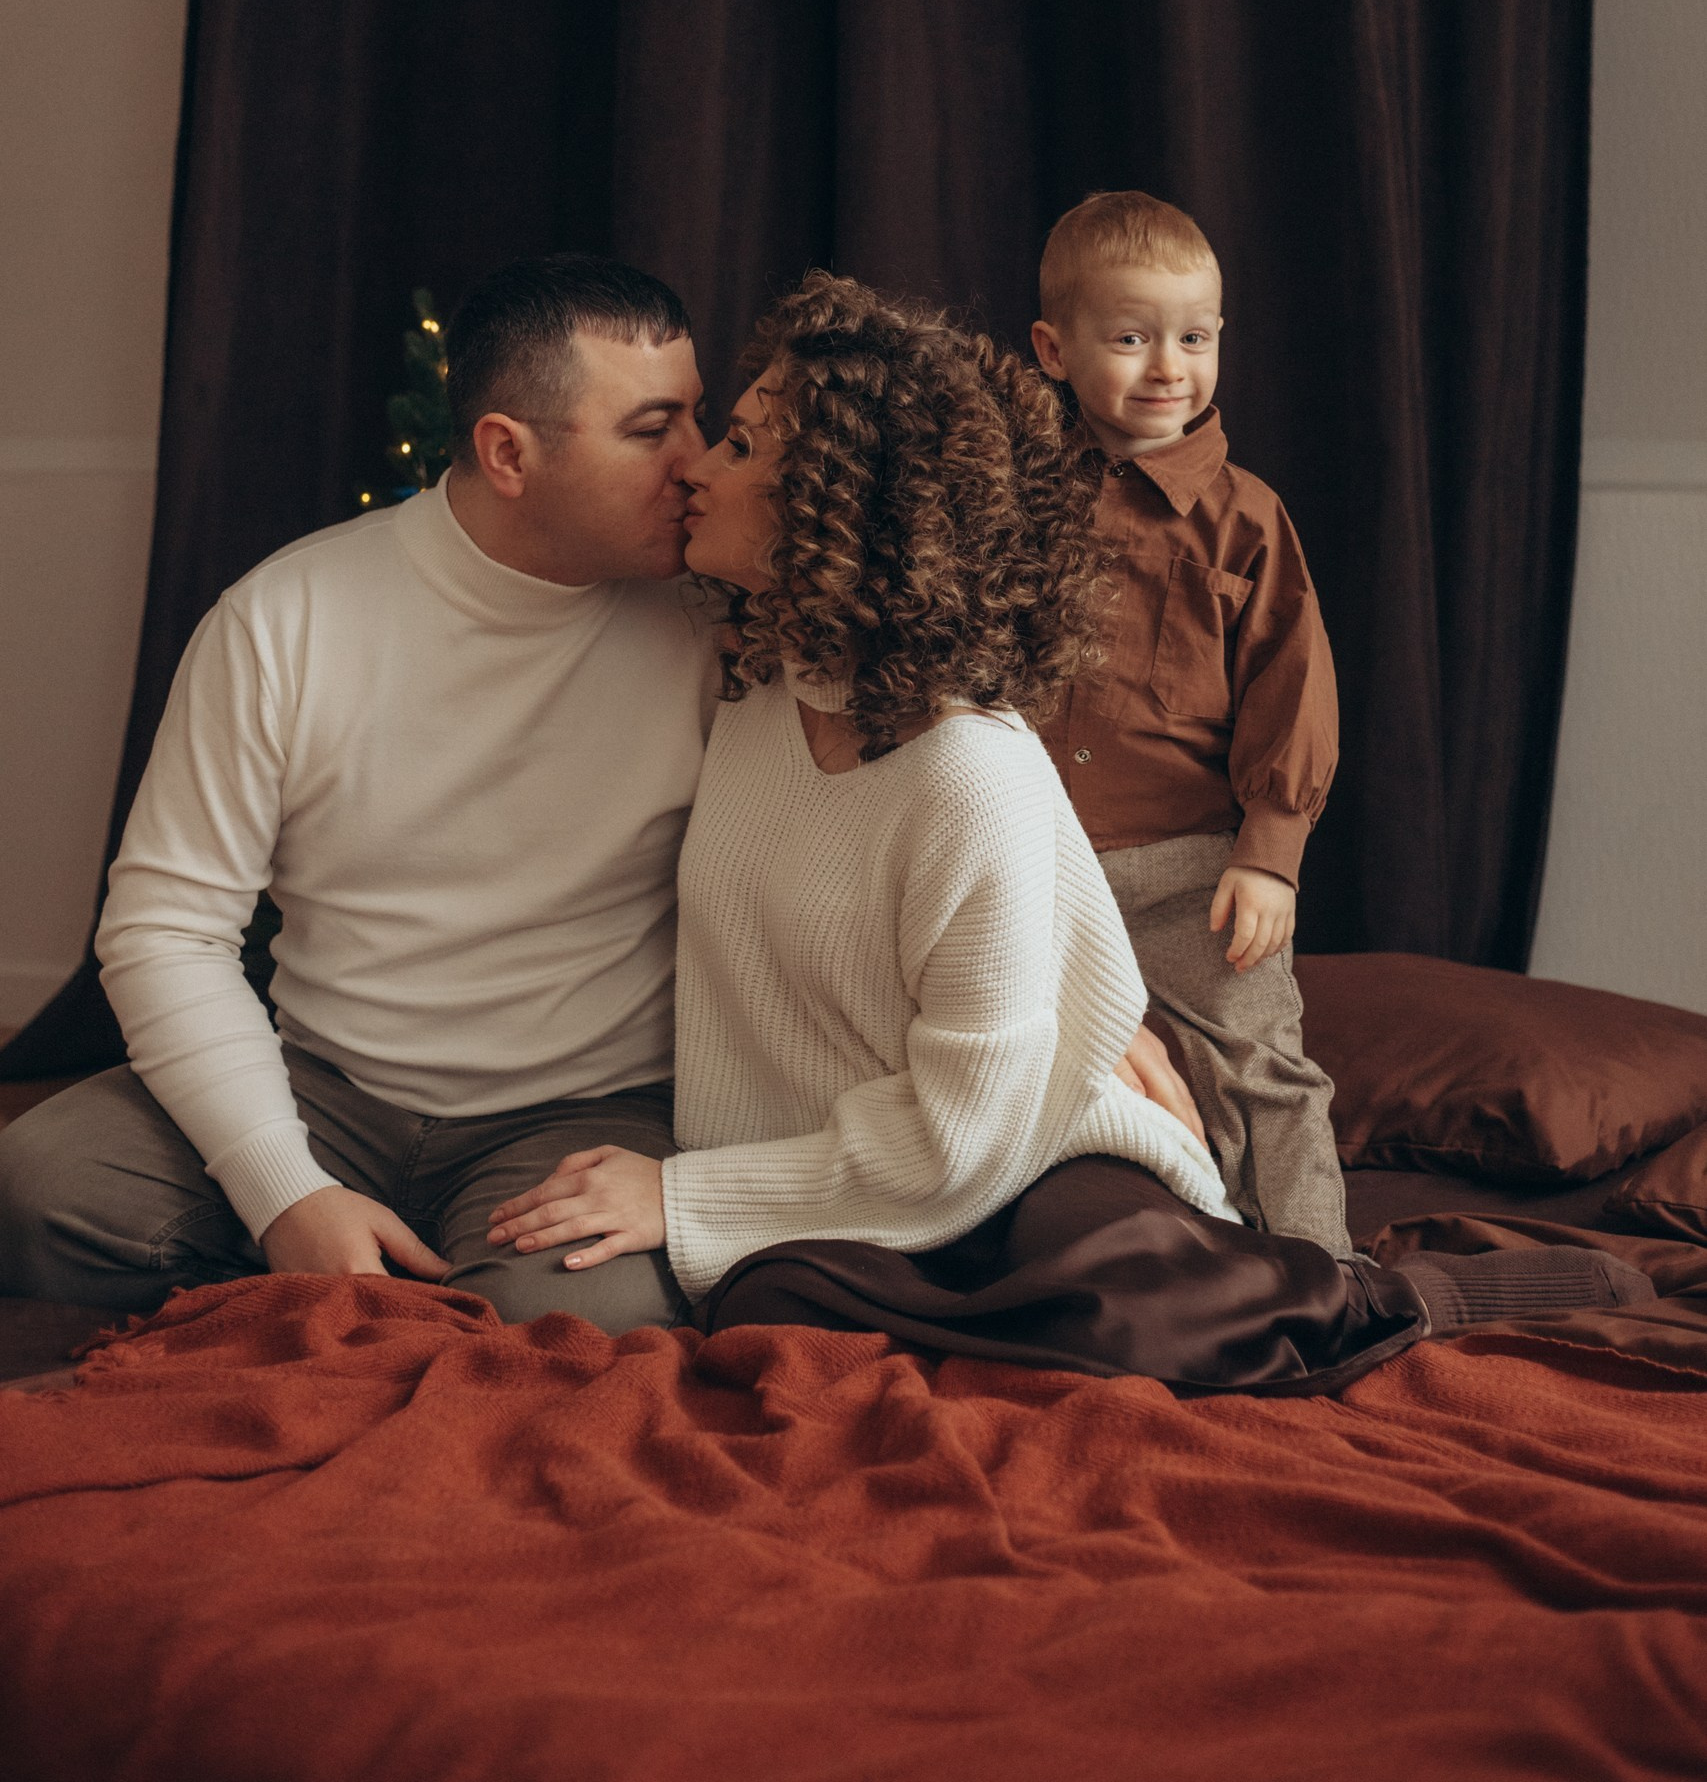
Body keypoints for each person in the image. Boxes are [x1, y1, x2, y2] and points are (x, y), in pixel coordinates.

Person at [483, 276, 1650, 1385]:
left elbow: (970, 1128)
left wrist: (682, 1199)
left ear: (838, 512)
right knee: (770, 1302)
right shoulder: (751, 688)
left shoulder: (966, 769)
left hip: (1026, 1150)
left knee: (1129, 1307)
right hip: (842, 1176)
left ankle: (1399, 1296)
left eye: (740, 446)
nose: (695, 465)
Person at [0, 256, 720, 1329]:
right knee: (40, 1185)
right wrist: (285, 1190)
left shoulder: (714, 627)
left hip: (578, 1117)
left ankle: (357, 1297)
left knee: (583, 1319)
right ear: (508, 453)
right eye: (653, 429)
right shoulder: (283, 618)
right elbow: (165, 930)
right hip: (324, 1091)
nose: (699, 464)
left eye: (698, 417)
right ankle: (347, 1263)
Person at [1030, 189, 1353, 1256]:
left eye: (1195, 339)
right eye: (1131, 338)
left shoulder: (1247, 516)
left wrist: (1270, 857)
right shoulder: (1006, 500)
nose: (1169, 367)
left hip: (1189, 870)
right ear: (1055, 349)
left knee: (1258, 1070)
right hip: (1025, 865)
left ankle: (1321, 1269)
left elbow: (1291, 689)